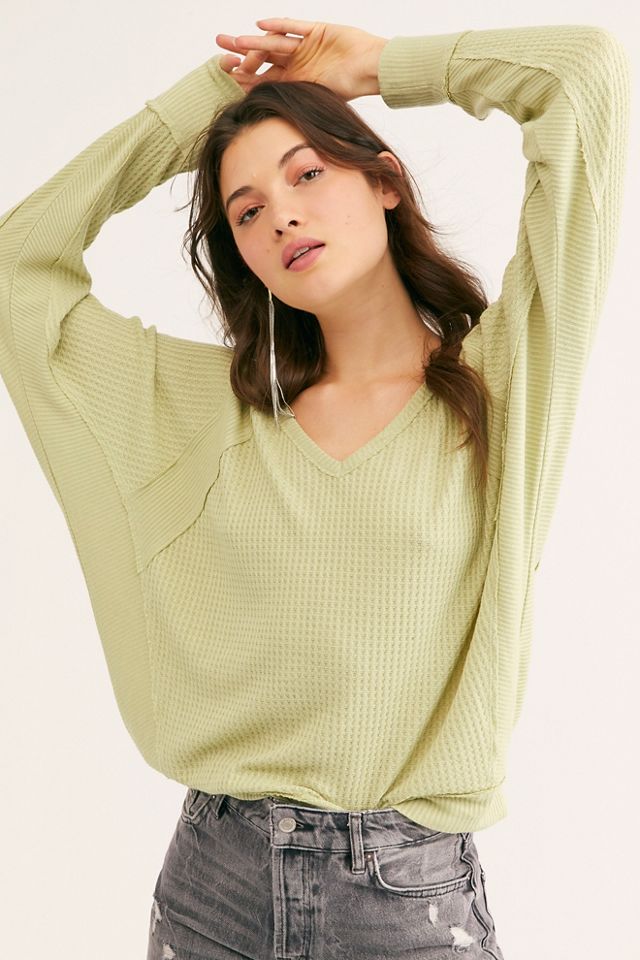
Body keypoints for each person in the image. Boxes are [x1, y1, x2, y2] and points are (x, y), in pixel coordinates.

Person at [0, 16, 630, 960]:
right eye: (247, 211)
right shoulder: (205, 415)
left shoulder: (505, 385)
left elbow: (585, 77)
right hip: (213, 890)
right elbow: (15, 265)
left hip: (408, 904)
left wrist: (375, 67)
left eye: (307, 174)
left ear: (384, 181)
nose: (282, 217)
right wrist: (212, 99)